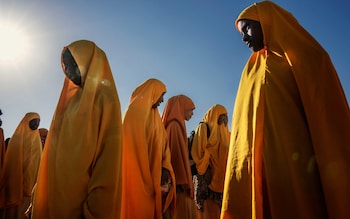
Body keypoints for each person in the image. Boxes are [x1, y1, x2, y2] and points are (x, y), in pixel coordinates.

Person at [221, 2, 350, 219]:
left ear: (268, 22)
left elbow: (328, 119)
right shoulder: (250, 70)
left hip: (298, 169)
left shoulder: (310, 57)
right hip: (259, 171)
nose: (243, 38)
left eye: (247, 28)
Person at [31, 40, 123, 219]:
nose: (67, 70)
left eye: (72, 63)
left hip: (81, 207)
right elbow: (52, 152)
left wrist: (96, 209)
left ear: (90, 63)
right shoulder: (67, 103)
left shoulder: (106, 101)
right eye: (65, 65)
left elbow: (108, 161)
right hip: (54, 201)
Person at [121, 78, 175, 219]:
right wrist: (144, 176)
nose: (162, 100)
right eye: (161, 95)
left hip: (154, 178)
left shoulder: (156, 117)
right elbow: (129, 149)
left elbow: (164, 146)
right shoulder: (133, 113)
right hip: (136, 178)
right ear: (153, 91)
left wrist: (164, 166)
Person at [191, 104, 230, 219]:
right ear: (214, 115)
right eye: (222, 115)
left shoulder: (225, 132)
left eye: (226, 116)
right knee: (206, 212)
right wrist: (205, 168)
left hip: (222, 182)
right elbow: (197, 154)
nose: (225, 119)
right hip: (207, 181)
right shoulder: (203, 128)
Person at [161, 94, 197, 219]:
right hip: (179, 186)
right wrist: (182, 181)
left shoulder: (177, 125)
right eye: (191, 110)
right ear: (182, 108)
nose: (192, 114)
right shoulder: (175, 127)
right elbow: (175, 158)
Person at [0, 112, 42, 219]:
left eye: (38, 122)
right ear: (27, 122)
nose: (36, 124)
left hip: (31, 187)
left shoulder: (37, 141)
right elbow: (13, 163)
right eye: (34, 121)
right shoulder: (17, 138)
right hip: (16, 185)